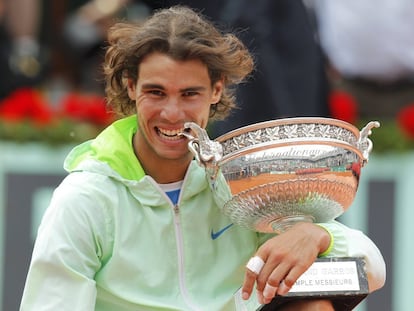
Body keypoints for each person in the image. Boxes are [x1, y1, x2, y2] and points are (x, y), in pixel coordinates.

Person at [20, 6, 385, 311]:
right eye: (156, 92)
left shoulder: (240, 181)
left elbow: (373, 269)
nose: (173, 113)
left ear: (216, 91)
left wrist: (315, 235)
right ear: (131, 88)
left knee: (314, 305)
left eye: (190, 93)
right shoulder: (86, 196)